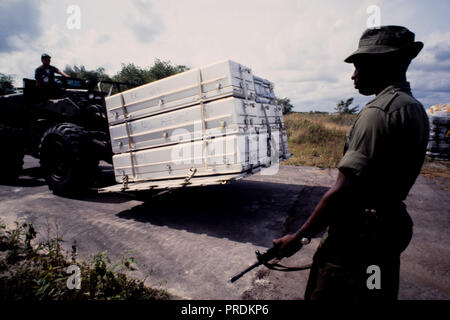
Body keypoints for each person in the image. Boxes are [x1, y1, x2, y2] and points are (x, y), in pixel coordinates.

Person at [272, 25, 429, 301]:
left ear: (383, 64)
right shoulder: (413, 108)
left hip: (356, 244)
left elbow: (343, 192)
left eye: (359, 66)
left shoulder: (377, 113)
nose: (353, 75)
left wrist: (298, 239)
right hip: (386, 233)